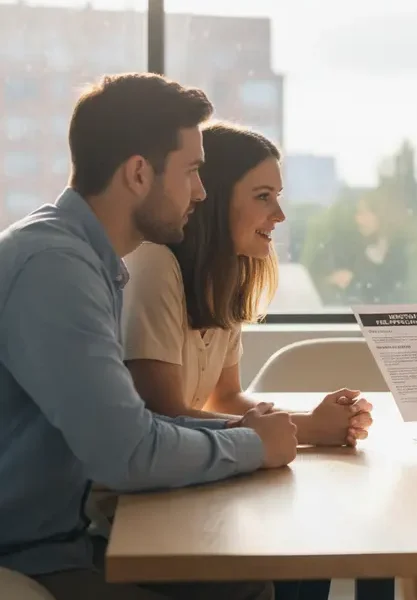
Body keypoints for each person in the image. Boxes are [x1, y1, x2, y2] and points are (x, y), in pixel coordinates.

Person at [0, 73, 296, 600]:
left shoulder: (87, 259)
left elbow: (136, 430)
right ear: (139, 173)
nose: (201, 192)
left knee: (247, 583)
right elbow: (129, 452)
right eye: (192, 172)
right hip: (24, 560)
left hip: (59, 541)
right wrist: (251, 444)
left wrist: (245, 435)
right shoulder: (55, 268)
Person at [118, 121, 378, 600]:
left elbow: (226, 396)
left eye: (278, 196)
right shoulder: (155, 265)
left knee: (311, 549)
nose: (279, 214)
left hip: (188, 488)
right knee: (293, 561)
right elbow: (165, 413)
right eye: (263, 196)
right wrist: (308, 429)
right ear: (213, 200)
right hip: (136, 513)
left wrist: (313, 422)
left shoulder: (226, 274)